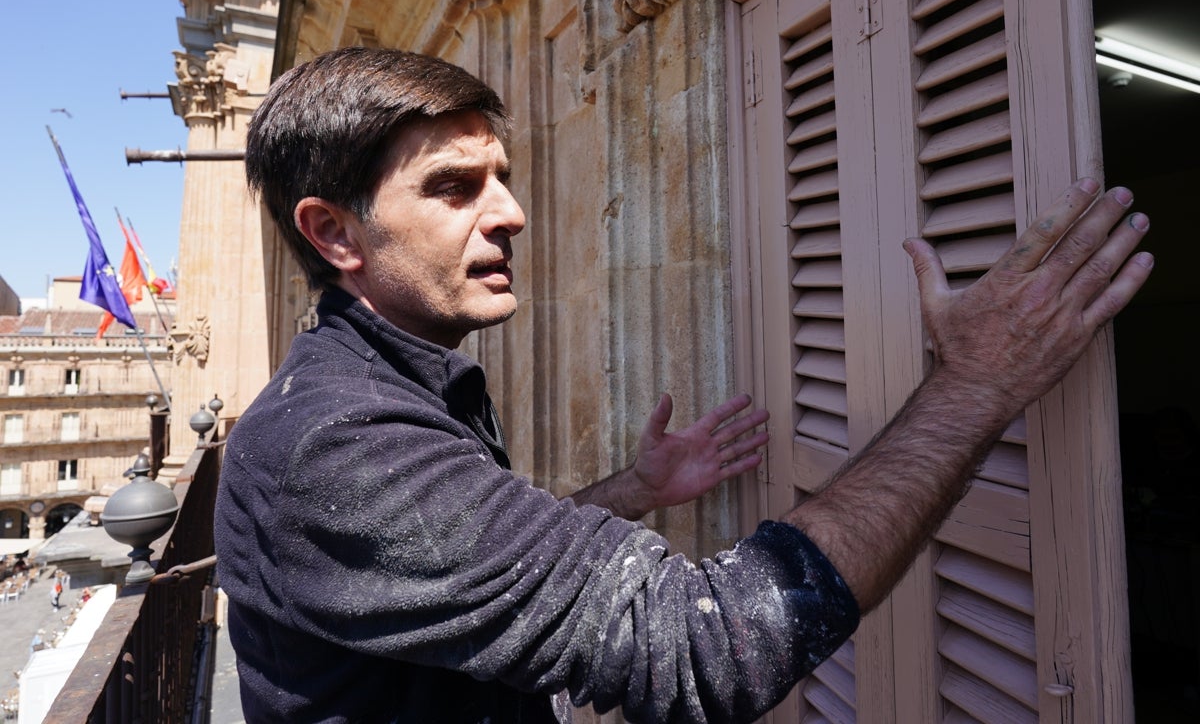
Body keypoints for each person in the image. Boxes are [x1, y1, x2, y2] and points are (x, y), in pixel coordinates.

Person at [214, 47, 1153, 723]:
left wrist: (636, 490)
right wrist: (976, 383)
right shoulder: (333, 440)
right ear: (335, 233)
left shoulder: (384, 383)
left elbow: (444, 566)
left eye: (502, 176)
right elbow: (707, 648)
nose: (513, 212)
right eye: (456, 188)